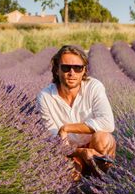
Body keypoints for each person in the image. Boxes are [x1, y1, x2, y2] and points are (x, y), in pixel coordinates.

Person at [36, 45, 116, 180]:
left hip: (94, 147)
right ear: (57, 70)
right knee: (69, 173)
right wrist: (81, 152)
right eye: (66, 68)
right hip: (68, 152)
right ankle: (76, 190)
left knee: (103, 139)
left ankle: (102, 180)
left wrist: (67, 128)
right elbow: (53, 140)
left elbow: (108, 123)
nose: (72, 73)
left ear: (84, 70)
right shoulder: (45, 97)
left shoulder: (93, 87)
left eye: (78, 68)